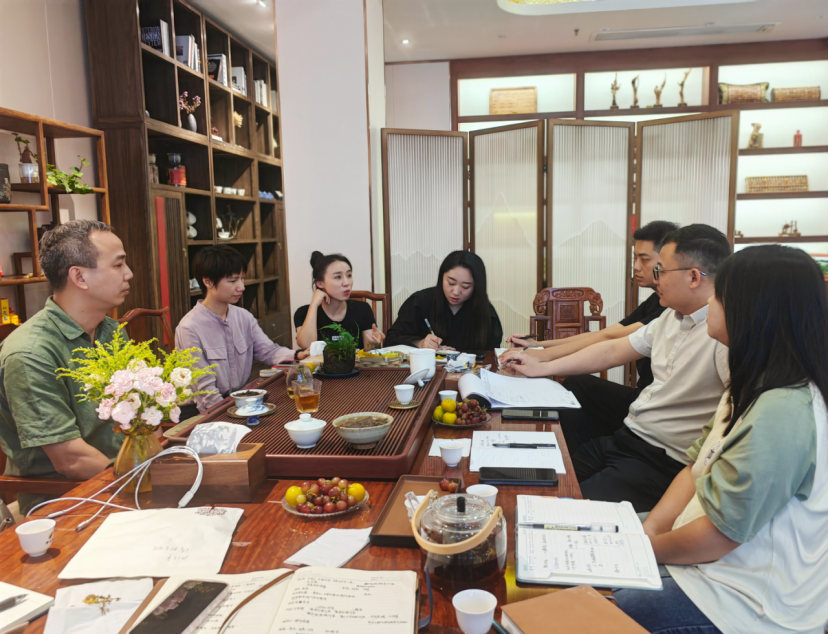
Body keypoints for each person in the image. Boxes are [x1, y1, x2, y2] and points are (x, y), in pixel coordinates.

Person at [615, 245, 827, 634]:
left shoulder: (784, 410)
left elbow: (719, 536)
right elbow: (695, 468)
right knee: (601, 534)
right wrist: (649, 531)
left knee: (607, 603)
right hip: (712, 553)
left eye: (719, 296)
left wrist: (641, 549)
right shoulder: (751, 383)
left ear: (753, 311)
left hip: (746, 600)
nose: (709, 302)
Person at [501, 224, 731, 511]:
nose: (655, 277)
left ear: (694, 277)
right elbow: (612, 349)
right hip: (628, 438)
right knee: (538, 483)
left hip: (660, 461)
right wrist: (541, 365)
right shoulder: (670, 317)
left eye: (660, 270)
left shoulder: (723, 335)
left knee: (561, 508)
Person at [502, 220, 678, 456]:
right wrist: (539, 346)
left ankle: (573, 460)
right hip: (644, 399)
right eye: (634, 258)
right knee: (577, 391)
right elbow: (603, 335)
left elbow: (609, 341)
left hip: (653, 408)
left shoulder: (671, 308)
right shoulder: (657, 301)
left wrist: (542, 357)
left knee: (577, 386)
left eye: (644, 259)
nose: (636, 266)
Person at [0, 220, 133, 515]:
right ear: (79, 276)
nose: (129, 274)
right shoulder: (31, 352)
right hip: (67, 499)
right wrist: (143, 480)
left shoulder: (111, 331)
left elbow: (138, 410)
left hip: (125, 476)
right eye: (118, 265)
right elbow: (71, 460)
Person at [176, 246, 300, 414]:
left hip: (239, 399)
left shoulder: (243, 316)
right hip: (203, 411)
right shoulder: (189, 327)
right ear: (208, 282)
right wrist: (231, 414)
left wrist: (297, 355)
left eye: (242, 278)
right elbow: (205, 391)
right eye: (233, 280)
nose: (241, 287)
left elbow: (268, 351)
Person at [385, 251, 503, 351]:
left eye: (465, 286)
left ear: (477, 287)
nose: (456, 292)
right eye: (451, 283)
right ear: (442, 277)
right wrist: (420, 343)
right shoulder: (420, 302)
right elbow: (391, 340)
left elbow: (492, 354)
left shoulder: (485, 312)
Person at [294, 251, 384, 350]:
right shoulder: (303, 313)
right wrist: (314, 304)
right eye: (338, 277)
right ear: (320, 283)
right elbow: (307, 346)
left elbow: (369, 351)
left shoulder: (363, 309)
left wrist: (375, 344)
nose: (346, 283)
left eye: (349, 275)